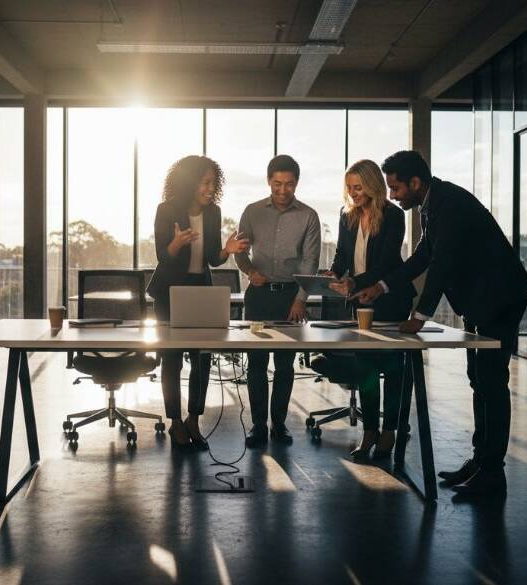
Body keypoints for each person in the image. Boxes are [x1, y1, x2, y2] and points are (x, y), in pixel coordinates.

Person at [352, 150, 527, 495]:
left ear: (414, 182)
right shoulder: (432, 205)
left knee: (492, 383)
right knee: (479, 380)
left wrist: (420, 316)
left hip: (500, 299)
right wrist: (382, 286)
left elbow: (442, 264)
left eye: (396, 188)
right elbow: (423, 256)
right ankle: (481, 461)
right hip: (481, 302)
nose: (392, 195)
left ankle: (492, 472)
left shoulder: (449, 204)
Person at [147, 155, 250, 450]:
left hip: (200, 290)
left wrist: (227, 250)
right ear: (189, 183)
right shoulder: (166, 210)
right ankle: (175, 422)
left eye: (213, 183)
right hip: (169, 292)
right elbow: (163, 256)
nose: (210, 188)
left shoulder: (213, 212)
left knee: (202, 359)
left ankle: (193, 419)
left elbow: (213, 259)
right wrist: (176, 243)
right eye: (205, 182)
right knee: (172, 359)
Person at [320, 159, 416, 460]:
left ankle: (390, 431)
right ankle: (370, 431)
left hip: (390, 298)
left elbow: (387, 262)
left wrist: (354, 281)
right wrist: (334, 274)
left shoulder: (393, 215)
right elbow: (342, 255)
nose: (353, 193)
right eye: (349, 187)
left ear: (373, 186)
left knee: (393, 367)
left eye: (359, 187)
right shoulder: (347, 216)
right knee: (366, 368)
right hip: (360, 300)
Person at [235, 154, 321, 447]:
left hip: (289, 298)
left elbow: (310, 261)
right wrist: (249, 271)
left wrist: (300, 300)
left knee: (285, 365)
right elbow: (239, 251)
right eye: (277, 184)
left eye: (289, 184)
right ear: (268, 181)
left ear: (297, 183)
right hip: (258, 297)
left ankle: (279, 425)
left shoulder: (309, 216)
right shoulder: (252, 211)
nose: (283, 190)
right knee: (256, 364)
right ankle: (259, 425)